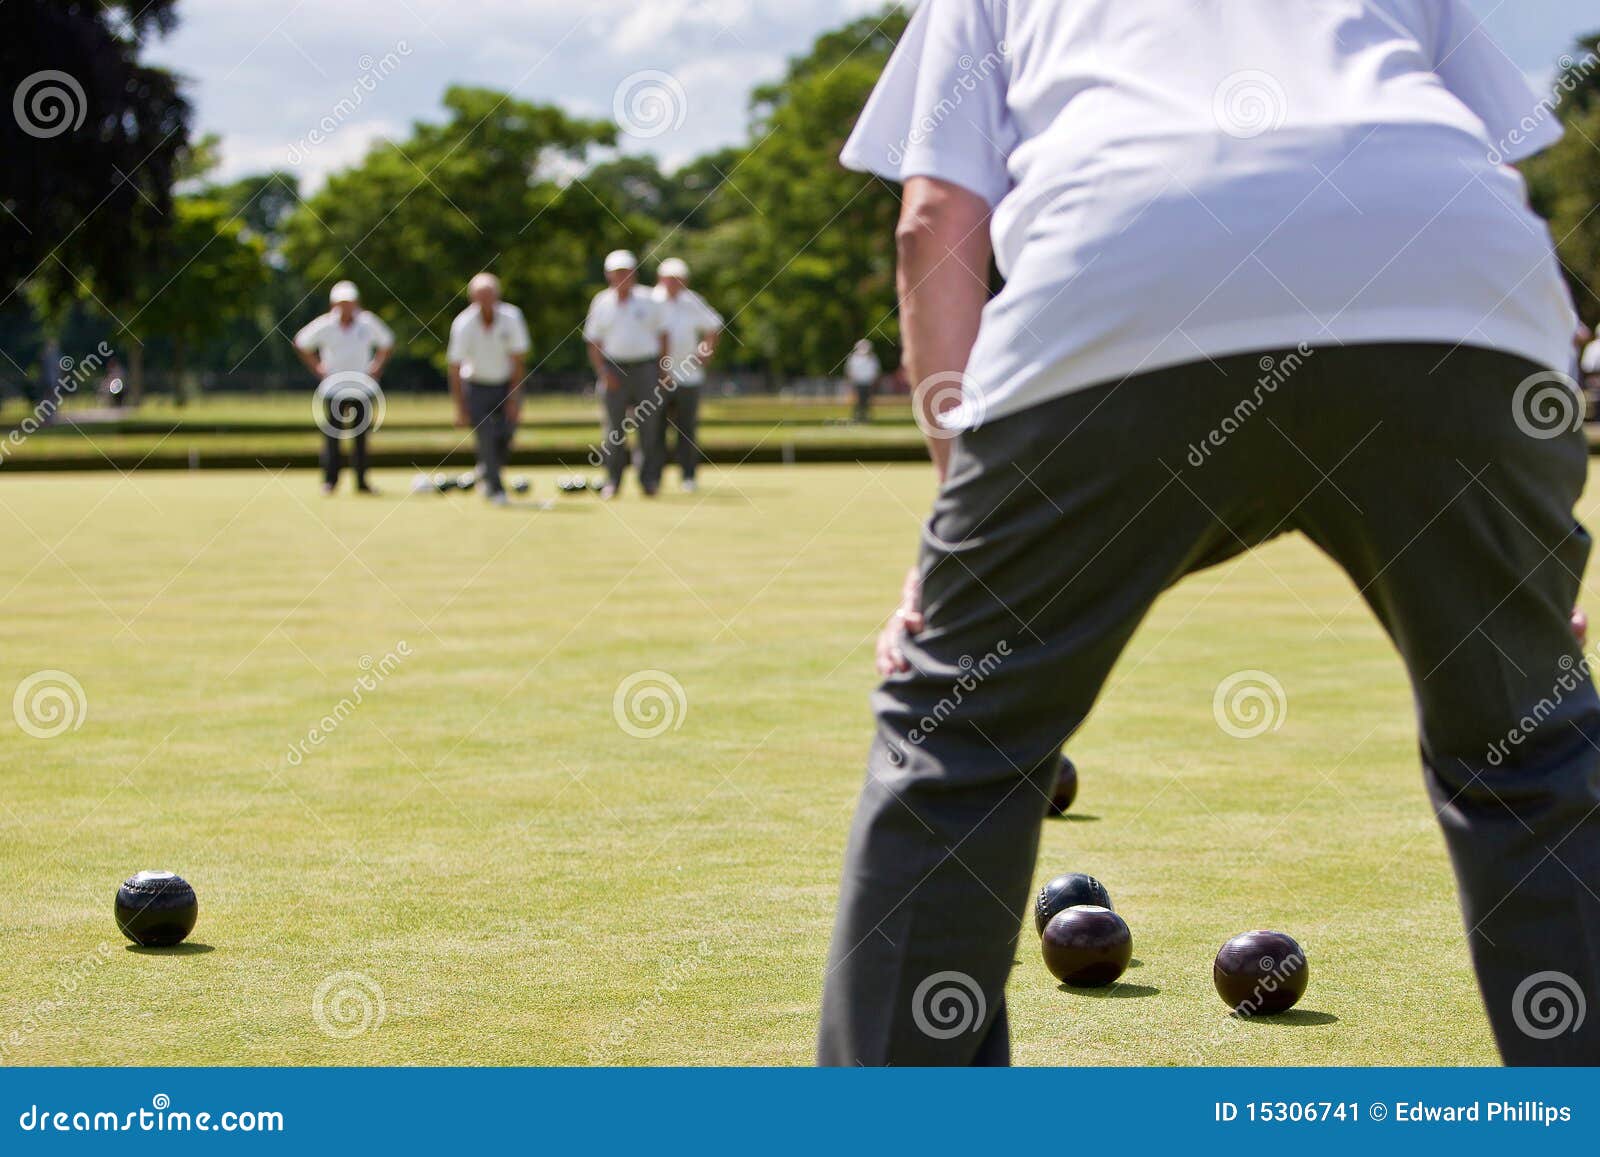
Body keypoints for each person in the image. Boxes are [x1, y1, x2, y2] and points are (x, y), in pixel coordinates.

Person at [819, 0, 1595, 1067]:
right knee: (1533, 748)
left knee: (958, 741)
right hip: (1455, 281)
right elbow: (1480, 165)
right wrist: (1531, 562)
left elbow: (932, 218)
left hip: (1123, 278)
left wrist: (957, 509)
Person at [293, 281, 394, 495]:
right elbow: (300, 342)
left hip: (362, 389)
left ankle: (362, 482)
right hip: (333, 389)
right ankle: (330, 482)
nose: (345, 307)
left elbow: (387, 342)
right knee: (332, 438)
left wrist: (376, 367)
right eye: (341, 303)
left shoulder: (367, 322)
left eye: (349, 302)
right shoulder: (326, 324)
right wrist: (317, 367)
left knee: (361, 438)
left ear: (355, 303)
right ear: (334, 304)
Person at [586, 250, 669, 499]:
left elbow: (664, 336)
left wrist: (661, 370)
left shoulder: (650, 300)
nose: (622, 276)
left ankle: (649, 480)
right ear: (608, 274)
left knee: (649, 427)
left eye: (626, 271)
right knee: (613, 429)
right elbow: (593, 342)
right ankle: (612, 480)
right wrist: (602, 371)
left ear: (634, 273)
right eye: (617, 272)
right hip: (614, 369)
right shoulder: (600, 301)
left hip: (646, 368)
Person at [447, 273, 531, 506]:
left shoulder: (512, 317)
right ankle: (496, 489)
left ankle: (486, 470)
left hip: (505, 384)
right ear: (471, 297)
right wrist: (460, 407)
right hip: (475, 385)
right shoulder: (463, 323)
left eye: (489, 294)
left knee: (505, 434)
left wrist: (514, 398)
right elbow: (454, 367)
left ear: (497, 295)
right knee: (485, 435)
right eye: (480, 295)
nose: (485, 300)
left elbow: (518, 360)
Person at [654, 257, 723, 492]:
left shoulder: (693, 301)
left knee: (687, 429)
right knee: (654, 430)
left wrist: (705, 353)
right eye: (670, 278)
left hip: (689, 376)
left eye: (678, 279)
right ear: (660, 278)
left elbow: (714, 326)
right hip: (657, 377)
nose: (674, 283)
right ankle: (653, 478)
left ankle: (688, 477)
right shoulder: (651, 300)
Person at [846, 339, 882, 423]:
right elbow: (850, 371)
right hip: (857, 383)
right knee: (858, 401)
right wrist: (851, 383)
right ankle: (857, 417)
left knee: (867, 401)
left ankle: (866, 417)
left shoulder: (873, 358)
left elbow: (876, 371)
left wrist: (874, 382)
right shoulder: (853, 358)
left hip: (868, 383)